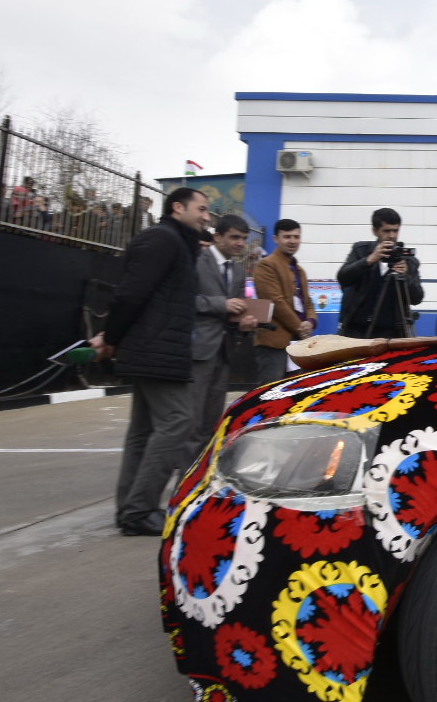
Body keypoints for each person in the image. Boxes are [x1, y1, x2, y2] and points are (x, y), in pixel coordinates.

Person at [90, 187, 209, 537]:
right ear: (178, 207)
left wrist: (114, 337)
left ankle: (130, 509)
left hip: (155, 348)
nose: (206, 217)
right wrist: (111, 337)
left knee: (143, 431)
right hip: (155, 349)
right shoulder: (161, 239)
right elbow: (130, 294)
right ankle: (140, 509)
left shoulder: (176, 242)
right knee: (178, 420)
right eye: (202, 209)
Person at [190, 214, 255, 450]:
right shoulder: (197, 261)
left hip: (225, 352)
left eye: (244, 239)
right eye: (235, 237)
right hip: (198, 350)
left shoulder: (238, 272)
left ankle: (203, 467)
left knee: (212, 419)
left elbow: (234, 313)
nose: (240, 243)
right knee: (192, 419)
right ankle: (186, 470)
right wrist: (222, 304)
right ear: (218, 237)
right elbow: (186, 300)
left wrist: (243, 324)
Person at [337, 207, 424, 340]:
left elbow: (417, 298)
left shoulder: (408, 261)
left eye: (395, 230)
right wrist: (368, 260)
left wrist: (406, 276)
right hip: (356, 331)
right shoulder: (361, 251)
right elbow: (343, 278)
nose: (392, 236)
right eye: (387, 231)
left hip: (391, 334)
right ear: (375, 231)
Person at [253, 218, 317, 385]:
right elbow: (276, 302)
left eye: (296, 237)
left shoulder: (299, 270)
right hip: (274, 343)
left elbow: (307, 302)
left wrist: (310, 321)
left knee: (295, 393)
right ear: (276, 239)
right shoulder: (266, 265)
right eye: (287, 237)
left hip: (298, 344)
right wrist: (300, 327)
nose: (292, 241)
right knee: (270, 393)